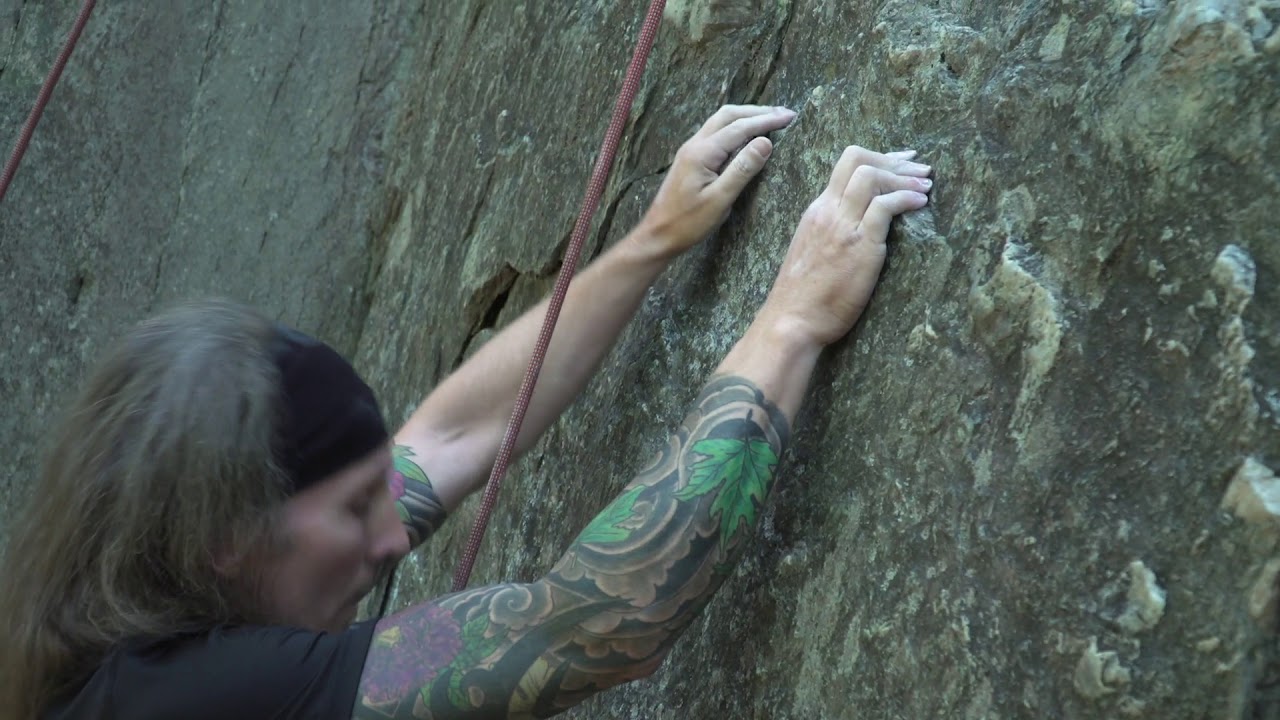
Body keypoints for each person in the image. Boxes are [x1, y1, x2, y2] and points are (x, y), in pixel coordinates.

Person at [0, 104, 933, 719]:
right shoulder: (185, 699)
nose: (395, 532)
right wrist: (794, 320)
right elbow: (598, 624)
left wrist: (654, 240)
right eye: (358, 507)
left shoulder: (170, 589)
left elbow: (449, 437)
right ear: (225, 539)